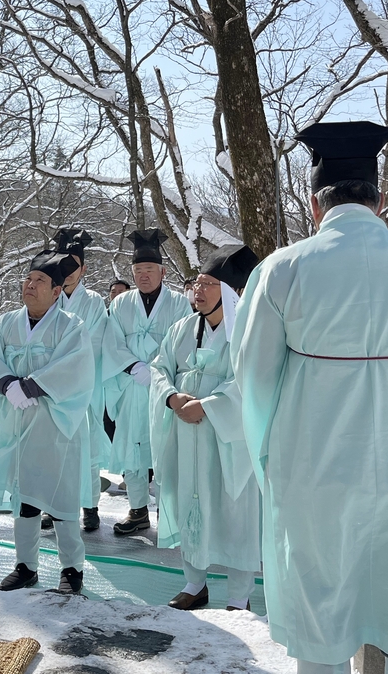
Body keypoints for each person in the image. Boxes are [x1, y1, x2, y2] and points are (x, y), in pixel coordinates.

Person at [232, 121, 388, 674]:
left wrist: (270, 457)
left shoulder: (283, 269)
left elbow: (256, 379)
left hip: (315, 466)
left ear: (316, 204)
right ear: (380, 200)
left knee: (321, 612)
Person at [0, 250, 95, 594]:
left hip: (55, 424)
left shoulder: (71, 326)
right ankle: (26, 565)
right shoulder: (7, 322)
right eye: (28, 279)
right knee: (24, 495)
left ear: (57, 291)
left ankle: (72, 569)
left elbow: (76, 367)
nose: (30, 285)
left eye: (39, 281)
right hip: (17, 419)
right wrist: (8, 385)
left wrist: (31, 386)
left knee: (62, 496)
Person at [151, 244, 261, 612]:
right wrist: (170, 397)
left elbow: (252, 381)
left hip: (228, 441)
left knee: (235, 510)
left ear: (232, 292)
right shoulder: (182, 327)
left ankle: (238, 597)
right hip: (186, 435)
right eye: (196, 282)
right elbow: (159, 368)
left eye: (209, 284)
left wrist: (209, 407)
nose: (198, 290)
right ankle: (194, 583)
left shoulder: (248, 330)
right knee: (190, 504)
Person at [101, 229, 192, 535]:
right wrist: (133, 366)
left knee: (166, 448)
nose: (143, 276)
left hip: (163, 387)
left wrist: (154, 371)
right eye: (138, 271)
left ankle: (171, 514)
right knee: (133, 449)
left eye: (149, 270)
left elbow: (181, 341)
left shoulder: (179, 303)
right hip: (131, 385)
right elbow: (111, 342)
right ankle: (138, 510)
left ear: (163, 272)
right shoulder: (121, 302)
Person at [54, 228, 115, 532]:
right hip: (50, 388)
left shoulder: (92, 302)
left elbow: (93, 344)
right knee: (53, 448)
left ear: (84, 269)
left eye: (73, 264)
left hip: (84, 388)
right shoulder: (46, 298)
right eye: (62, 263)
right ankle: (55, 505)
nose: (67, 270)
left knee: (85, 448)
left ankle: (90, 506)